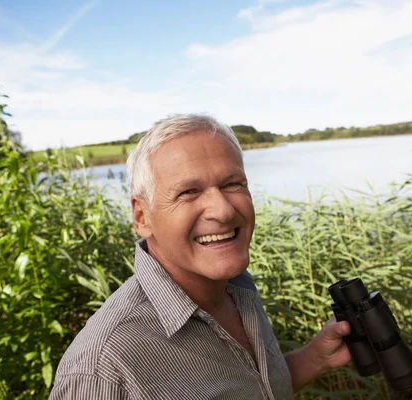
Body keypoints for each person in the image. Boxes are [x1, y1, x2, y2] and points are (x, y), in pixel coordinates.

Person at [49, 114, 351, 399]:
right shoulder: (102, 369)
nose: (222, 210)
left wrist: (313, 359)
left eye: (233, 184)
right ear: (142, 217)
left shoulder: (235, 288)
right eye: (189, 192)